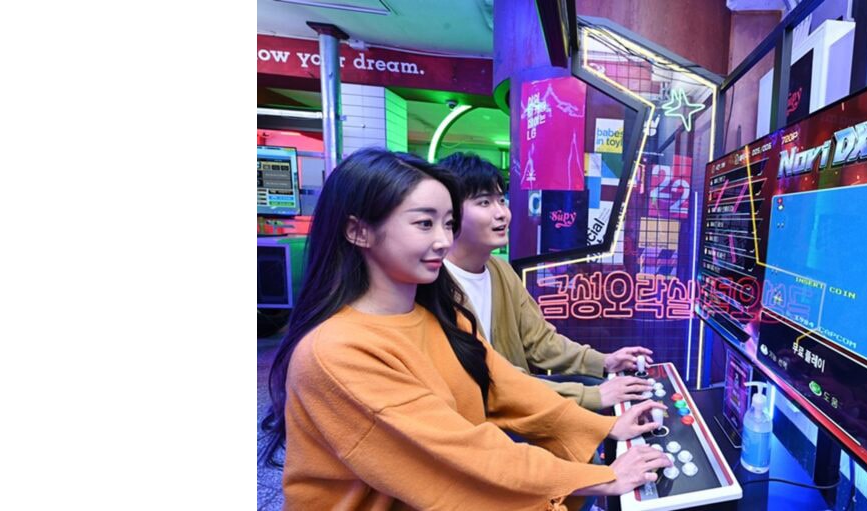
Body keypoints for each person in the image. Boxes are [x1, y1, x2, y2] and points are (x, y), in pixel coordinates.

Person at [258, 148, 671, 510]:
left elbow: (503, 384)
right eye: (424, 224)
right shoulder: (336, 352)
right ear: (358, 230)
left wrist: (603, 425)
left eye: (448, 223)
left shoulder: (440, 311)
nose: (442, 240)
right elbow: (457, 453)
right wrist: (596, 477)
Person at [434, 152, 654, 411]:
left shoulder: (501, 271)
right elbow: (491, 379)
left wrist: (604, 362)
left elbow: (540, 341)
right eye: (484, 203)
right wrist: (592, 395)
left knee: (611, 396)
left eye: (501, 200)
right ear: (450, 214)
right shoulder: (435, 286)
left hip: (514, 395)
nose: (502, 213)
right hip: (483, 415)